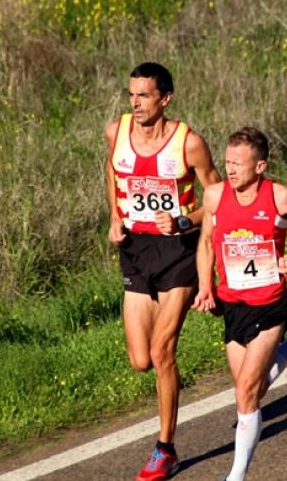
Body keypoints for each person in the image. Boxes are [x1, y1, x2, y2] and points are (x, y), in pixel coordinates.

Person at [193, 127, 287, 481]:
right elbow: (207, 243)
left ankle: (236, 477)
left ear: (260, 166)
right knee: (252, 389)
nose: (230, 169)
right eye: (227, 161)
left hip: (270, 303)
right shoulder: (214, 196)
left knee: (245, 392)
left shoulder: (281, 197)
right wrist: (205, 288)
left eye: (238, 164)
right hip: (233, 304)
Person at [105, 62, 221, 480]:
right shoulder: (115, 132)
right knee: (140, 360)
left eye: (144, 96)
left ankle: (165, 448)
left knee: (161, 351)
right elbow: (113, 173)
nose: (135, 103)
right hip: (135, 250)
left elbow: (218, 197)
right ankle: (168, 381)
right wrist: (114, 217)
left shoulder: (188, 144)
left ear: (165, 99)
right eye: (131, 95)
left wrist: (186, 222)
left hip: (179, 252)